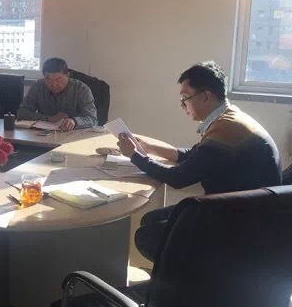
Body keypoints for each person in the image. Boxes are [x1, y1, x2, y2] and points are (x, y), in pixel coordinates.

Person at [117, 61, 281, 263]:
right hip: (243, 208)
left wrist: (135, 156)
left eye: (185, 98)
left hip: (238, 220)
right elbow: (194, 155)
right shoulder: (230, 119)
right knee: (150, 219)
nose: (182, 105)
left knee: (147, 236)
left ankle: (184, 277)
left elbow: (178, 178)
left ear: (205, 96)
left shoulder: (228, 129)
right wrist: (149, 147)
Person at [17, 57, 97, 131]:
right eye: (48, 80)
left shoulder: (81, 89)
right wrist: (48, 118)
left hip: (74, 135)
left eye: (58, 79)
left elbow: (92, 119)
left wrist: (74, 121)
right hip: (44, 134)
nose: (54, 85)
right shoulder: (38, 86)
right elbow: (22, 112)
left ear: (67, 75)